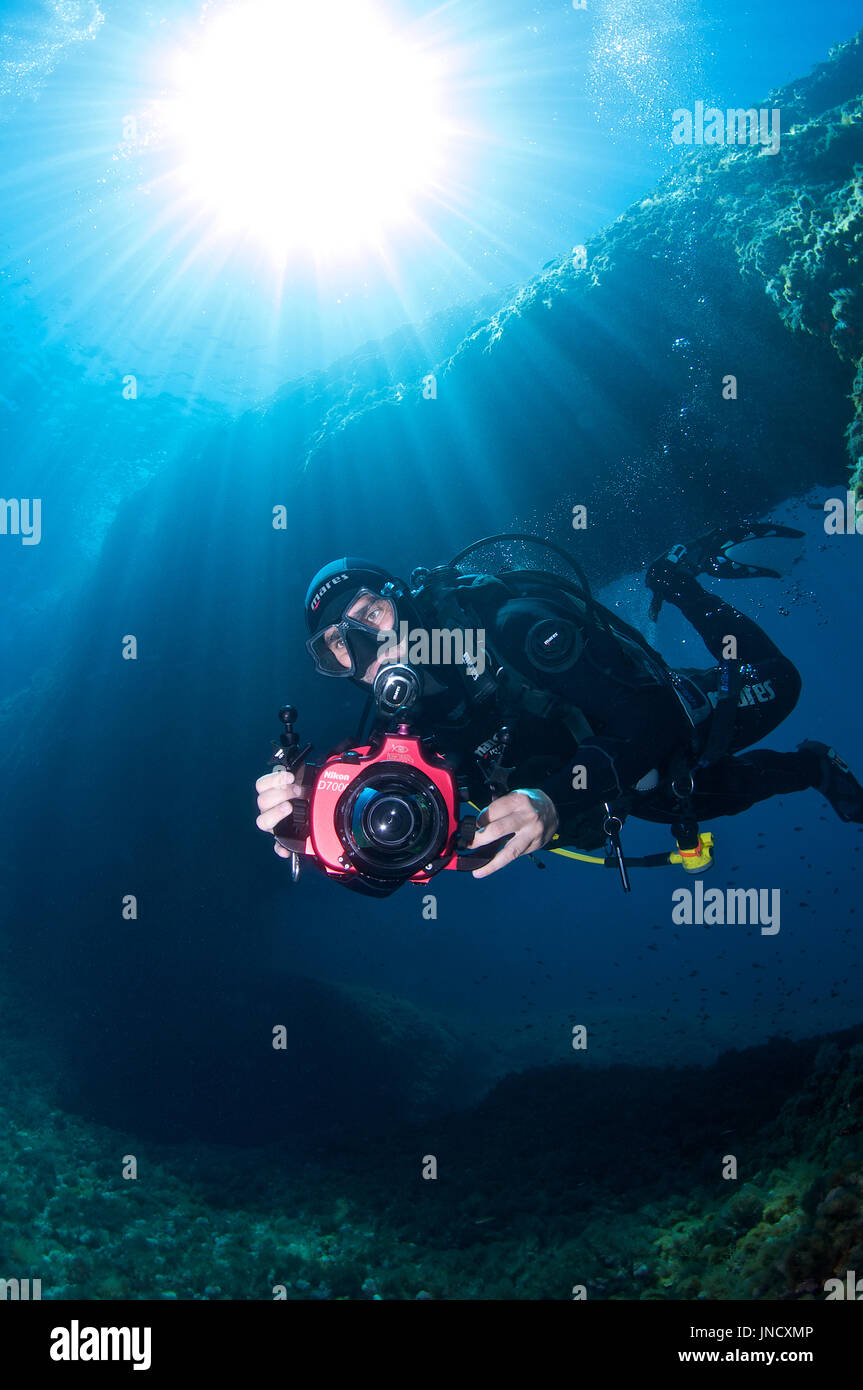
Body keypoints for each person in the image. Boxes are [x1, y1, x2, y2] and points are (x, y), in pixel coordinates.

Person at [255, 531, 863, 880]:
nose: (367, 650)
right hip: (630, 790)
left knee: (782, 683)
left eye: (371, 617)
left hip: (673, 712)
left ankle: (678, 582)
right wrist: (315, 813)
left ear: (404, 602)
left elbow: (650, 719)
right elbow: (413, 823)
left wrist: (550, 798)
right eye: (340, 647)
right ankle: (814, 766)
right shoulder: (406, 721)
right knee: (718, 796)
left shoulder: (509, 628)